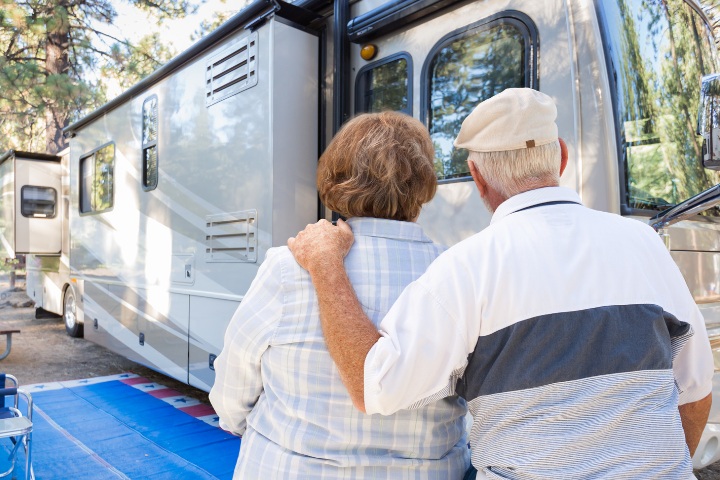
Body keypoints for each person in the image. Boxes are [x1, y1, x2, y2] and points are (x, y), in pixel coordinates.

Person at [287, 88, 714, 479]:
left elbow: (372, 386)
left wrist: (327, 266)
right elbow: (695, 392)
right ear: (561, 157)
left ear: (478, 176)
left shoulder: (467, 267)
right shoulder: (643, 242)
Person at [209, 111, 470, 478]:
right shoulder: (458, 272)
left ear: (336, 177)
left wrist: (238, 424)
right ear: (423, 183)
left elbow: (235, 377)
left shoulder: (288, 266)